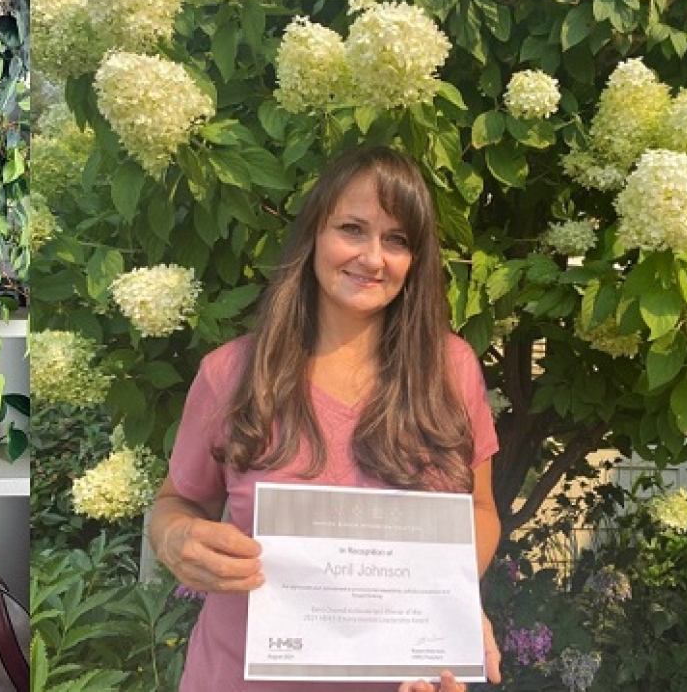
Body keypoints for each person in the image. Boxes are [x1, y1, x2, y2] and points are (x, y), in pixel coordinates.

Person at [148, 146, 503, 692]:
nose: (373, 258)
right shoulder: (232, 373)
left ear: (416, 260)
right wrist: (176, 540)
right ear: (314, 233)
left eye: (397, 240)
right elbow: (178, 502)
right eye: (353, 229)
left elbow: (479, 509)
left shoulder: (451, 371)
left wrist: (447, 603)